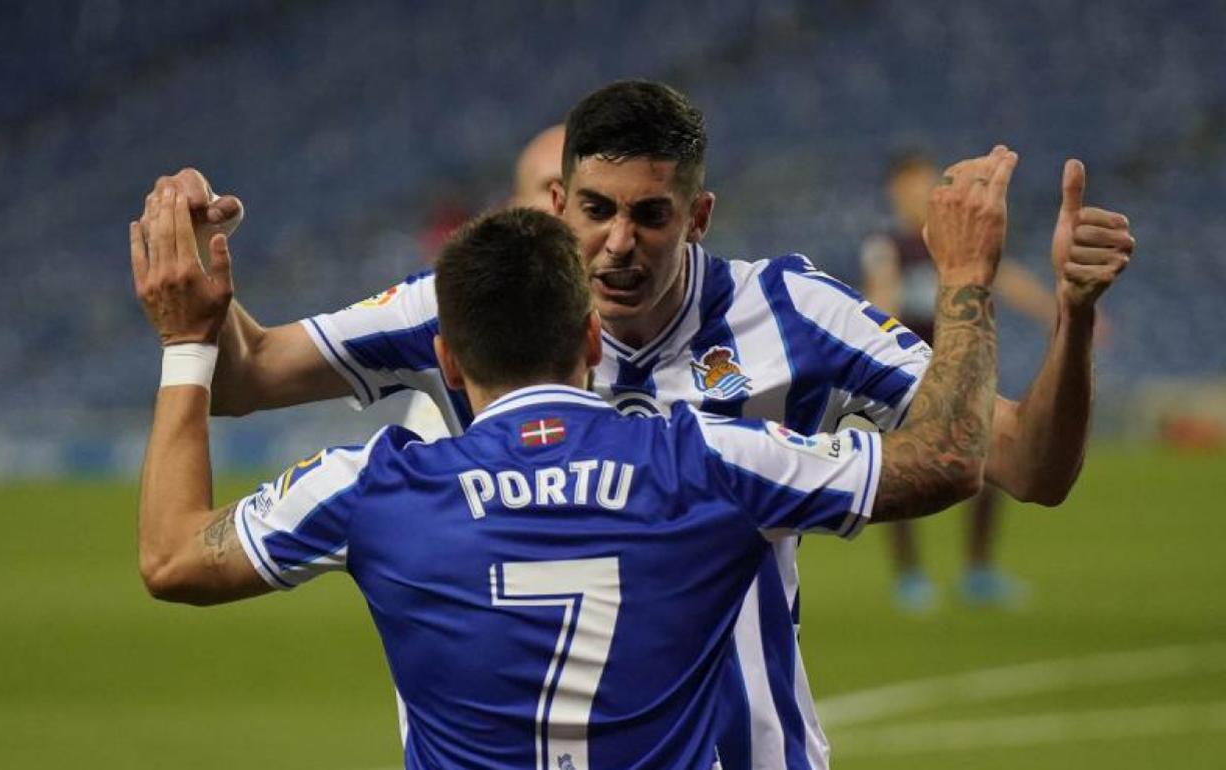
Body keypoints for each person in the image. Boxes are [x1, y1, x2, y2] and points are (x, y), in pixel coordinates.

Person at [137, 80, 1134, 769]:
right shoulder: (479, 305)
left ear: (697, 217)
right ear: (559, 202)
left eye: (650, 216)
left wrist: (1075, 318)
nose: (618, 242)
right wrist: (208, 289)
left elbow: (1024, 464)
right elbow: (253, 371)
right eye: (597, 210)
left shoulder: (792, 313)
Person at [861, 151, 1069, 610]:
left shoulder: (951, 236)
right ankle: (910, 579)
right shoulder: (887, 243)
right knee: (899, 470)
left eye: (927, 181)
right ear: (896, 190)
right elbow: (880, 294)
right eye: (913, 183)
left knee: (989, 459)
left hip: (959, 368)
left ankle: (978, 571)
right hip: (904, 377)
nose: (922, 191)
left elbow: (1005, 276)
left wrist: (1057, 311)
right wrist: (873, 335)